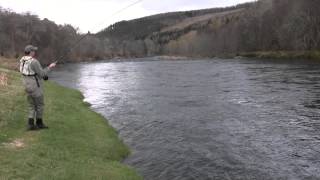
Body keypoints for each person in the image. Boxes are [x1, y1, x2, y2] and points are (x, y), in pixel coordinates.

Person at [19, 45, 56, 130]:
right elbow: (42, 73)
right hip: (35, 87)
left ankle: (30, 124)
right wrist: (50, 67)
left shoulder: (22, 60)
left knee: (31, 105)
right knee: (40, 105)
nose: (35, 52)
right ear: (31, 52)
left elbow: (31, 73)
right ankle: (39, 123)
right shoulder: (34, 61)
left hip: (26, 85)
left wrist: (42, 76)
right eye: (34, 51)